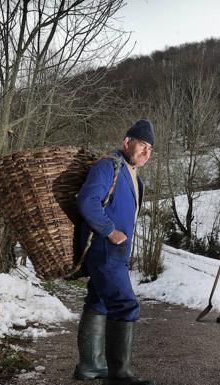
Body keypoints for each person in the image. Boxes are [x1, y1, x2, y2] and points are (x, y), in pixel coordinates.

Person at [73, 119, 155, 385]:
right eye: (142, 145)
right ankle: (120, 375)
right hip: (105, 247)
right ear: (127, 142)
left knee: (98, 301)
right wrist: (109, 230)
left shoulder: (133, 175)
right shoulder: (108, 166)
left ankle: (91, 365)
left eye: (150, 148)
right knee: (125, 304)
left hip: (116, 251)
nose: (146, 152)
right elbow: (87, 200)